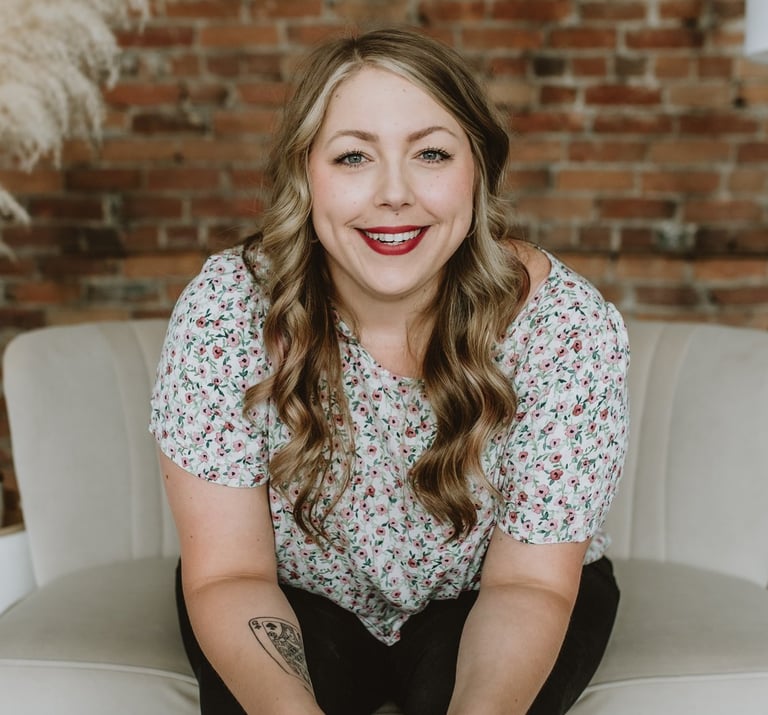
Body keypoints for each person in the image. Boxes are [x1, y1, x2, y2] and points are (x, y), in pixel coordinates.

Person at [150, 26, 630, 715]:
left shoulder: (563, 324)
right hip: (291, 592)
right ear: (305, 174)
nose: (394, 193)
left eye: (431, 153)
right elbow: (230, 573)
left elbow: (529, 586)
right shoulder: (227, 309)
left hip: (499, 592)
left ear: (477, 171)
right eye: (352, 157)